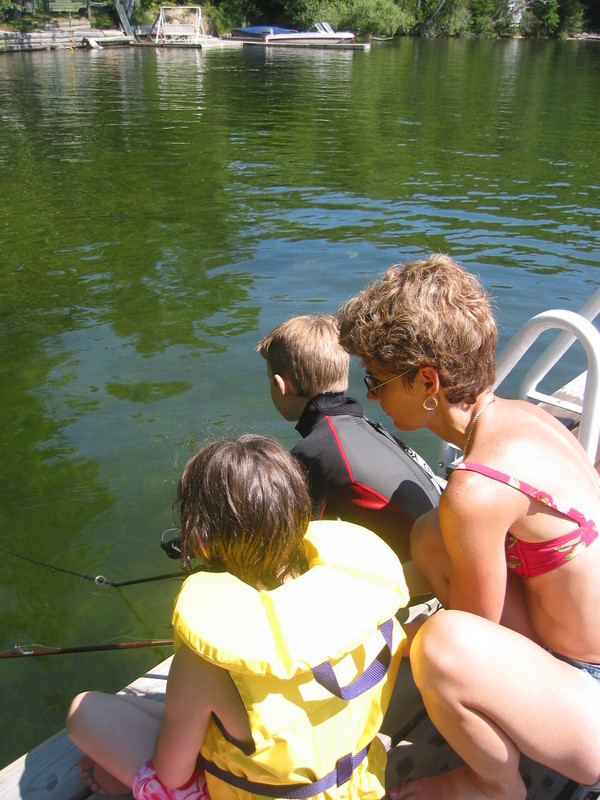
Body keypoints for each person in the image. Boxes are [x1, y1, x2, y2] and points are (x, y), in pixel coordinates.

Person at [335, 254, 600, 800]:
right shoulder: (527, 417)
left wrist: (385, 643)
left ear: (427, 381)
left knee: (439, 646)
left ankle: (492, 784)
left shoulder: (476, 490)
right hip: (577, 644)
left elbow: (471, 632)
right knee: (430, 533)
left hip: (592, 694)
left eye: (377, 381)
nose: (373, 397)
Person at [67, 434, 410, 800]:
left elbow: (172, 775)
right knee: (187, 714)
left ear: (200, 541)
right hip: (355, 783)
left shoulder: (204, 664)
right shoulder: (362, 603)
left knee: (83, 711)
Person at [256, 314, 442, 563]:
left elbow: (294, 542)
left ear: (281, 386)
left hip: (419, 576)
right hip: (440, 553)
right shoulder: (364, 426)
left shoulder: (314, 452)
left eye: (270, 380)